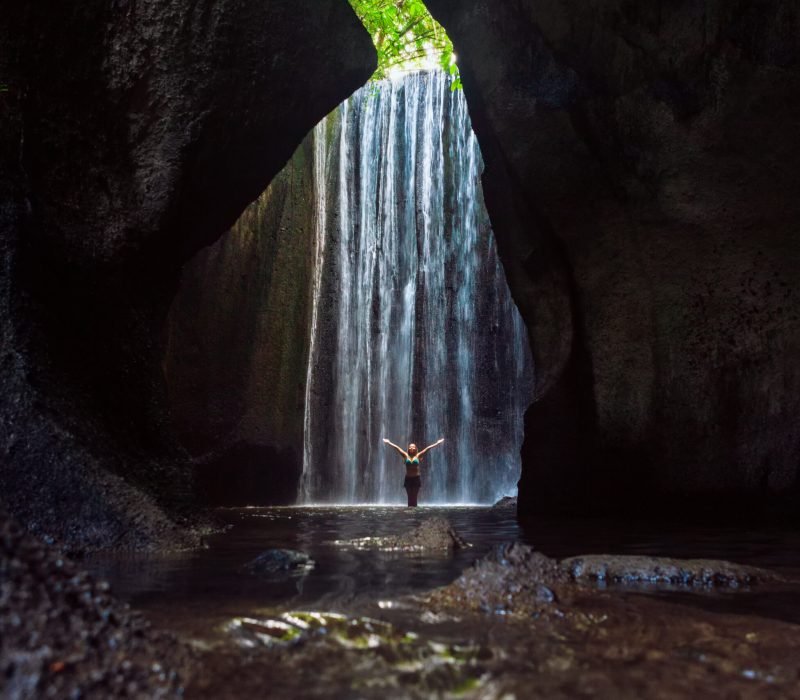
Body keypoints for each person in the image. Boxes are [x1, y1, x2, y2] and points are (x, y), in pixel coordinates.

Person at [382, 437, 445, 507]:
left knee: (414, 497)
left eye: (413, 447)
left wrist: (437, 443)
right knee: (409, 497)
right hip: (408, 479)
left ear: (416, 449)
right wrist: (388, 442)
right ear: (408, 449)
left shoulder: (418, 456)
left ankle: (415, 512)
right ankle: (409, 511)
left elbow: (428, 448)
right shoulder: (405, 455)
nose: (411, 448)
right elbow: (397, 448)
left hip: (416, 479)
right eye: (410, 447)